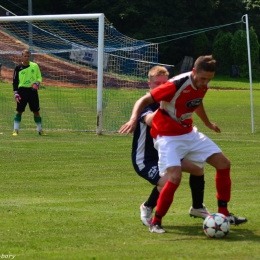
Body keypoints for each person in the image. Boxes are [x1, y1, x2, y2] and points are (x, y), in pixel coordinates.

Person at [120, 55, 247, 233]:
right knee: (173, 178)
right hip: (161, 144)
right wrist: (134, 119)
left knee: (222, 164)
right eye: (203, 78)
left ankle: (222, 213)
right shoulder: (173, 86)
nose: (205, 83)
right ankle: (155, 219)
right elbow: (144, 106)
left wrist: (208, 123)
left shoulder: (203, 83)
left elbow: (196, 102)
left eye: (209, 79)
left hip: (187, 133)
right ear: (194, 72)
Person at [132, 66, 210, 226]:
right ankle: (147, 206)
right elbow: (150, 121)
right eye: (156, 84)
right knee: (168, 180)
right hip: (146, 159)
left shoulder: (172, 101)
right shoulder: (146, 104)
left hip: (167, 153)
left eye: (164, 83)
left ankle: (197, 207)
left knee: (198, 167)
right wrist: (164, 105)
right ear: (149, 84)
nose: (160, 87)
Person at [12, 49, 46, 136]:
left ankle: (40, 130)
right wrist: (16, 93)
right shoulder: (18, 68)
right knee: (19, 111)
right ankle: (15, 130)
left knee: (36, 111)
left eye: (28, 56)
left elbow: (39, 77)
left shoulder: (35, 66)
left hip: (32, 91)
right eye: (25, 56)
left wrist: (37, 83)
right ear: (22, 57)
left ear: (30, 56)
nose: (26, 58)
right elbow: (15, 82)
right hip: (22, 91)